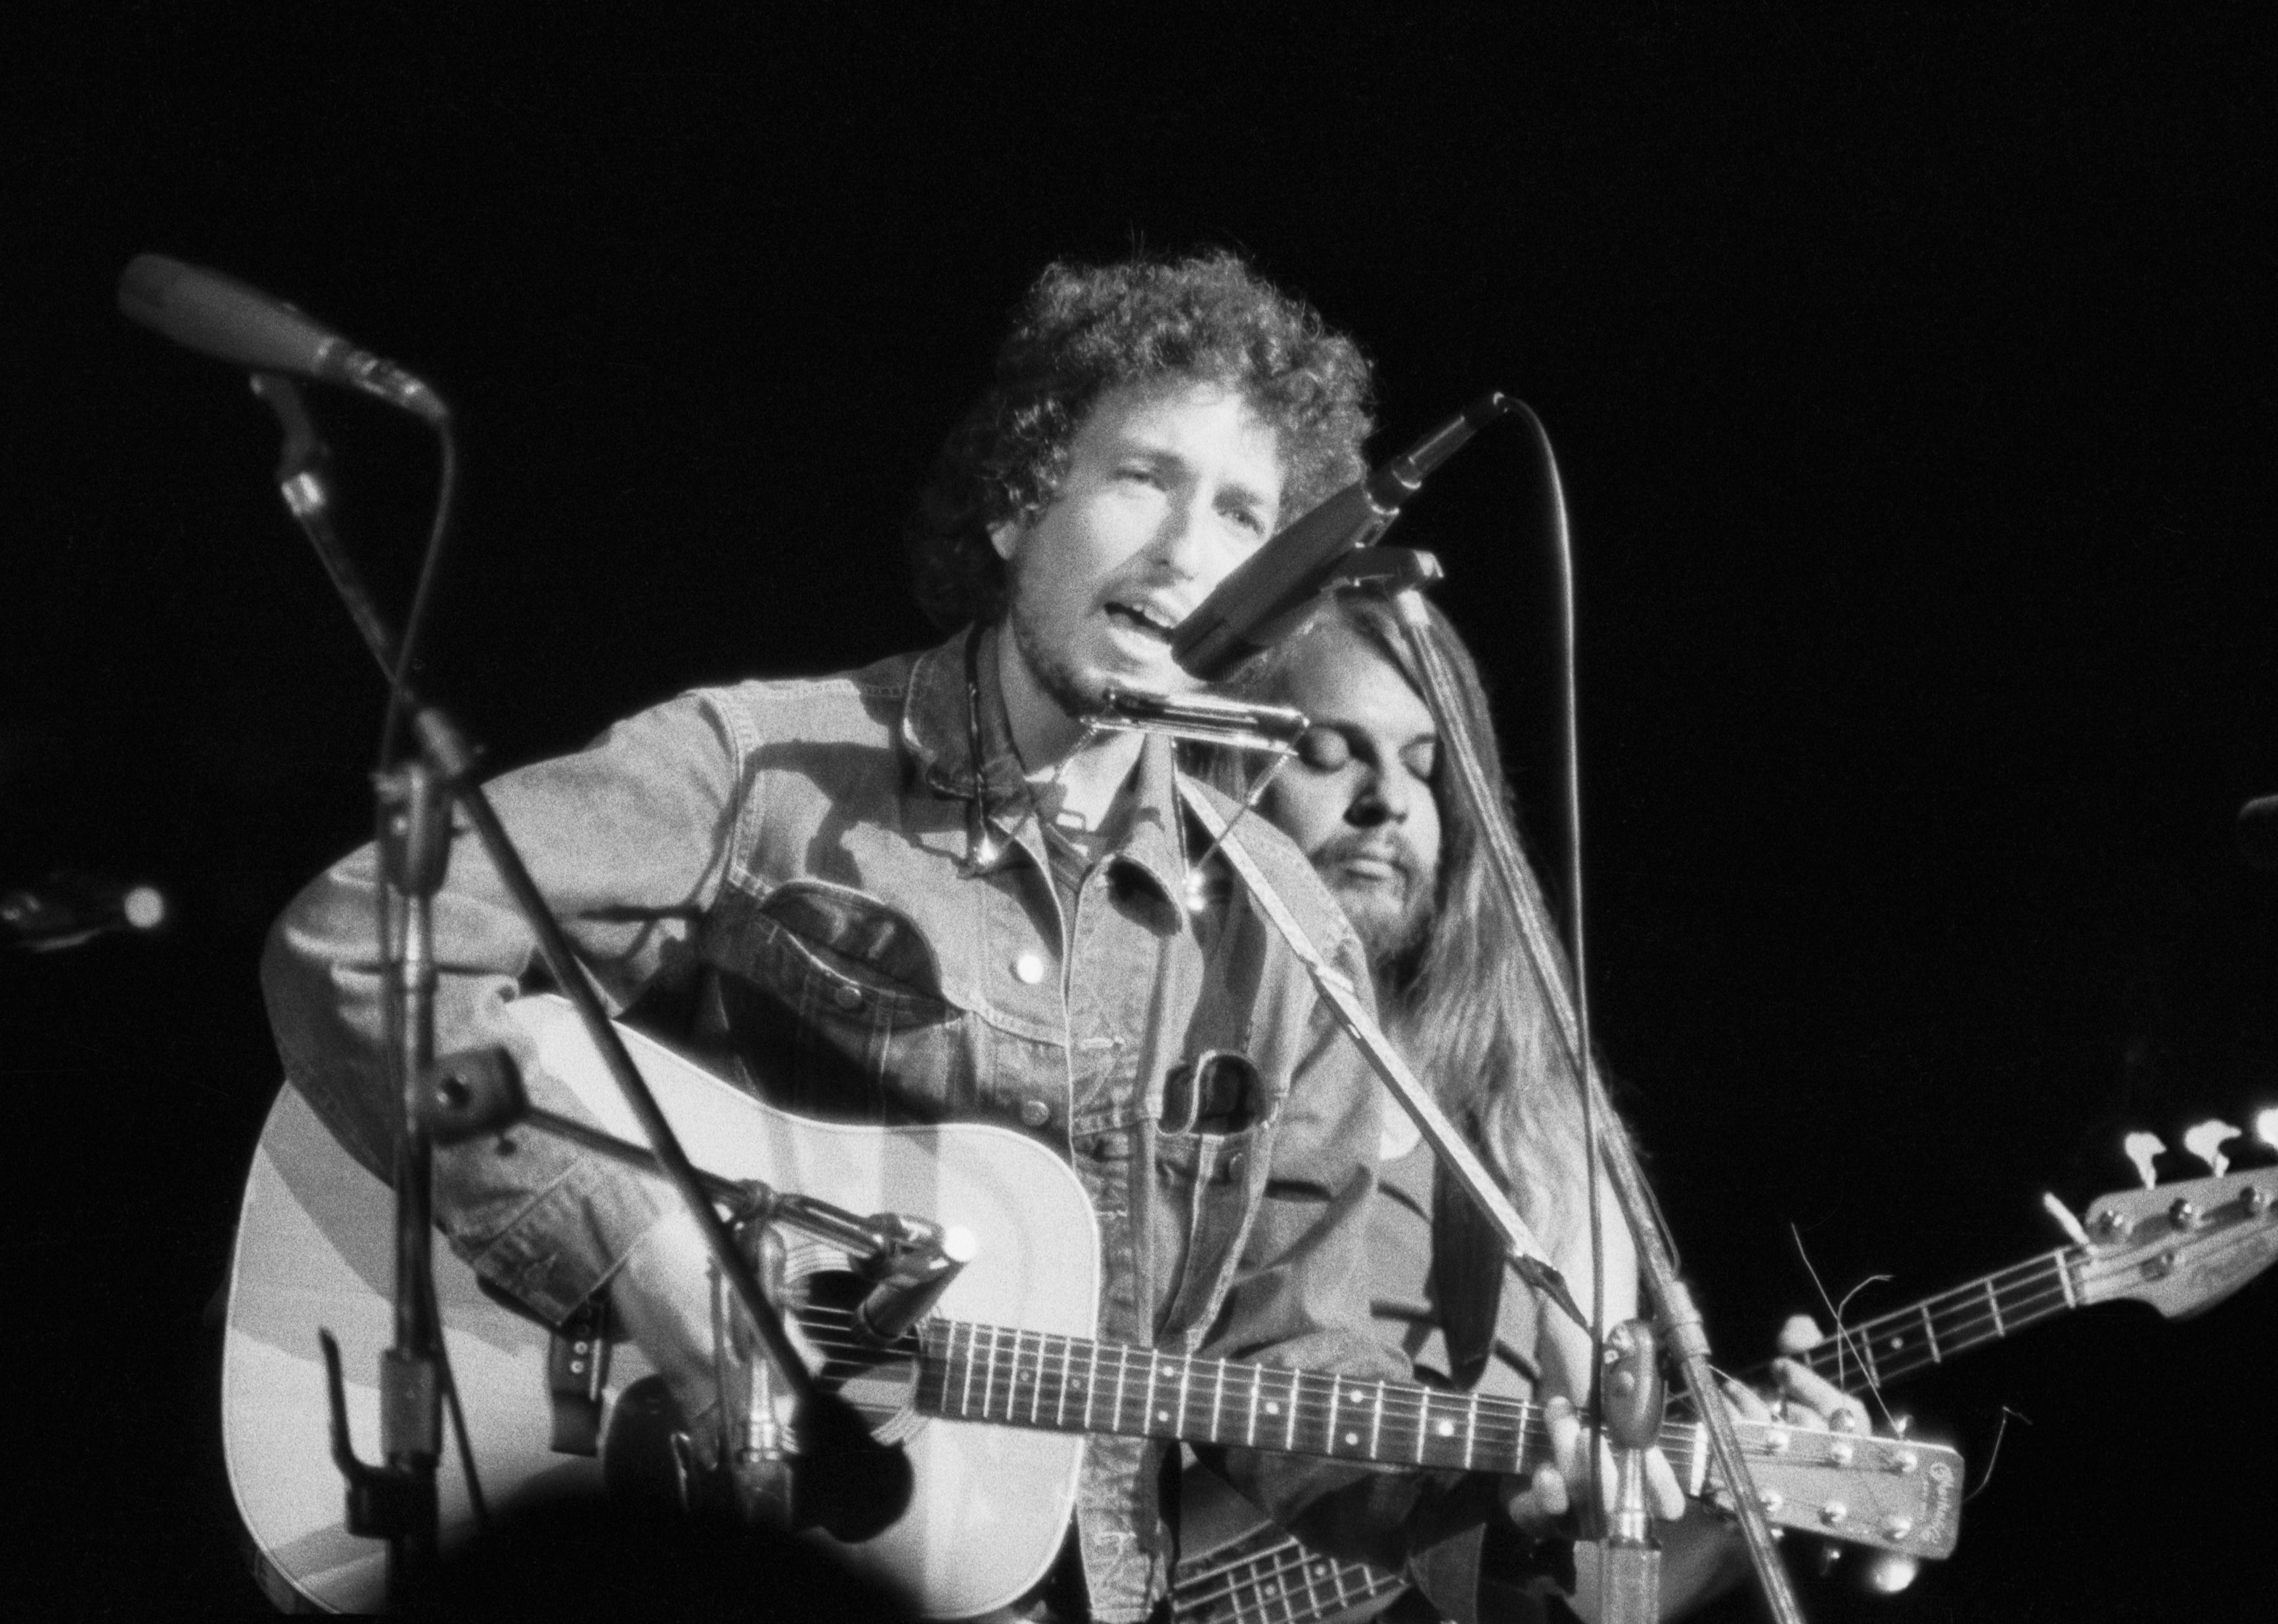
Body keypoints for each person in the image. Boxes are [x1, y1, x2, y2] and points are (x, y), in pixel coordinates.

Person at [261, 253, 1601, 1623]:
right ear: (1023, 504)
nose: (1189, 549)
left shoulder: (1280, 927)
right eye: (1144, 477)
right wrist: (645, 1259)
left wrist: (1508, 1483)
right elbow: (362, 947)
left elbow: (1286, 1374)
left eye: (1246, 512)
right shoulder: (769, 768)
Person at [1204, 588, 1873, 1617]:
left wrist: (1737, 1516)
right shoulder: (1178, 1059)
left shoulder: (1532, 1118)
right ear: (1222, 772)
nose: (1388, 798)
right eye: (1332, 753)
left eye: (1428, 766)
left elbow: (1606, 1605)